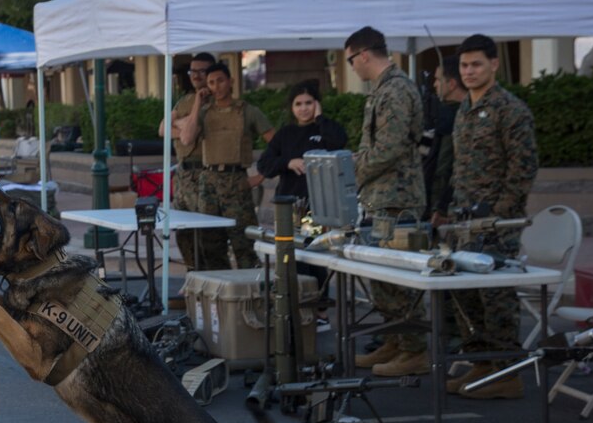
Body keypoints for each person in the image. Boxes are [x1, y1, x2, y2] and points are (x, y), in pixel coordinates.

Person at [445, 34, 539, 399]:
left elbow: (524, 168)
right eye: (464, 66)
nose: (469, 72)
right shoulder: (465, 109)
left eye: (476, 65)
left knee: (495, 295)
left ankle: (507, 371)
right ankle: (482, 363)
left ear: (494, 64)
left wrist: (500, 213)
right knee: (465, 296)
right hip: (463, 222)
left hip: (498, 225)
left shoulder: (511, 110)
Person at [344, 26, 429, 377]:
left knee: (396, 279)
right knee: (381, 278)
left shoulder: (395, 89)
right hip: (383, 197)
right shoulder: (384, 89)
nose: (352, 67)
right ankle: (397, 339)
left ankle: (415, 350)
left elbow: (390, 148)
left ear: (364, 54)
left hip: (397, 198)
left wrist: (353, 172)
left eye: (351, 60)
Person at [249, 79, 348, 327]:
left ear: (317, 104)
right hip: (291, 208)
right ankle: (300, 307)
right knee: (295, 257)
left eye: (309, 103)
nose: (304, 108)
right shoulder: (285, 134)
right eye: (298, 104)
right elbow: (265, 165)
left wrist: (321, 119)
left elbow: (338, 143)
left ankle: (321, 310)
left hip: (321, 207)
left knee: (318, 257)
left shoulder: (327, 129)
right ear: (291, 107)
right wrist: (288, 163)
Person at [178, 61, 274, 269]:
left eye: (220, 81)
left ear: (230, 81)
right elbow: (186, 138)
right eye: (211, 83)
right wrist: (197, 103)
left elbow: (275, 143)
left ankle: (251, 295)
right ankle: (222, 296)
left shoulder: (247, 111)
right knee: (210, 244)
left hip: (237, 181)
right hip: (208, 183)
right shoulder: (204, 113)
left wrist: (261, 175)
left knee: (244, 243)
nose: (216, 86)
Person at [161, 52, 214, 269]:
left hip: (203, 173)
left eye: (202, 71)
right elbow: (163, 129)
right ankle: (192, 275)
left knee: (205, 233)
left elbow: (188, 136)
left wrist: (183, 124)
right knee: (182, 231)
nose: (195, 75)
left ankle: (206, 277)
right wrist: (185, 123)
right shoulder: (185, 100)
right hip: (183, 174)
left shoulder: (214, 100)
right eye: (192, 71)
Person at [427, 55, 465, 227]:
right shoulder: (444, 113)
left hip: (448, 207)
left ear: (451, 84)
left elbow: (445, 165)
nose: (435, 85)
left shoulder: (457, 116)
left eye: (438, 79)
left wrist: (441, 207)